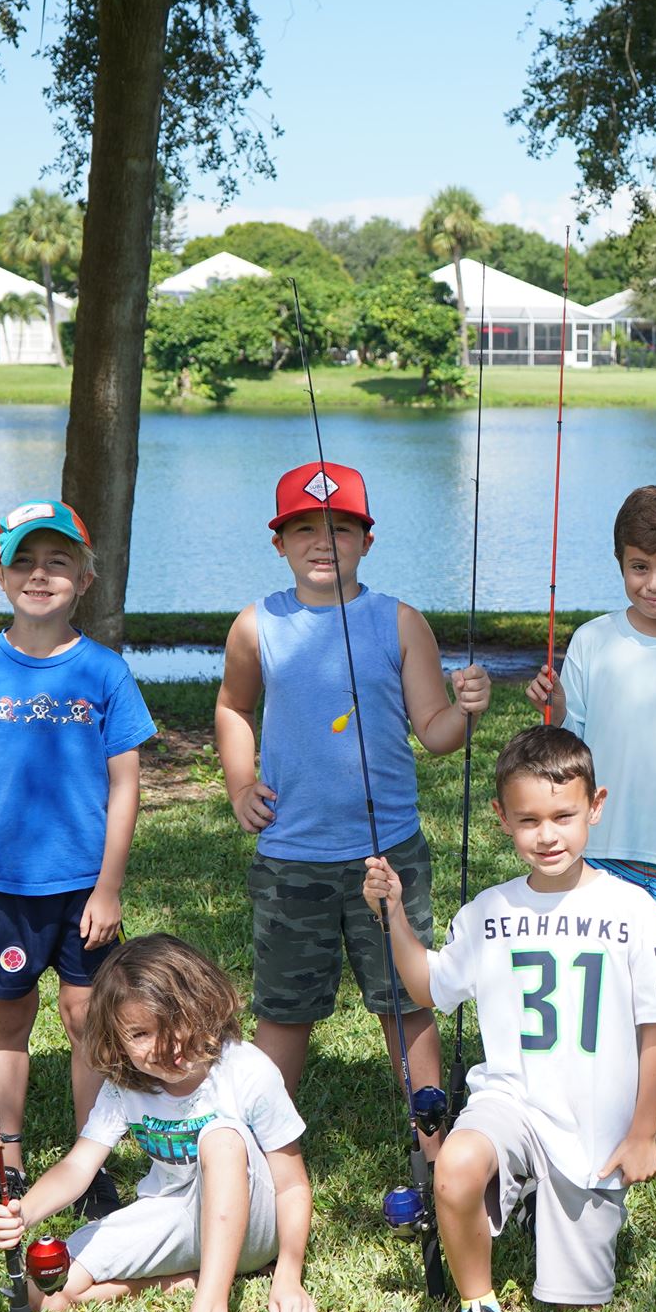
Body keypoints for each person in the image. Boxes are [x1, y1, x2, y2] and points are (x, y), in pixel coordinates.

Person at [363, 725, 656, 1312]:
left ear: (595, 805)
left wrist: (643, 1132)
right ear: (501, 817)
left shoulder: (634, 910)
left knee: (576, 1302)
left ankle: (540, 1202)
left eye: (564, 815)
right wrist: (392, 911)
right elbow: (427, 988)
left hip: (594, 1125)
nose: (547, 834)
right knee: (453, 1168)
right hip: (509, 1100)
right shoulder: (488, 911)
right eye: (529, 819)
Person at [215, 462, 489, 1112]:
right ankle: (260, 1141)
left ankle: (432, 1135)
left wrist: (467, 709)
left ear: (367, 540)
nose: (321, 541)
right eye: (303, 527)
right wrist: (239, 782)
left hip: (387, 855)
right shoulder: (256, 625)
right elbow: (233, 707)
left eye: (340, 528)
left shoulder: (399, 621)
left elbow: (436, 730)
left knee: (407, 999)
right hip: (291, 856)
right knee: (284, 1009)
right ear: (278, 542)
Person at [0, 500, 154, 1214]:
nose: (40, 574)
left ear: (85, 578)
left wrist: (109, 886)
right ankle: (8, 1156)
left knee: (90, 1018)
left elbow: (125, 785)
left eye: (58, 561)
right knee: (9, 1022)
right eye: (24, 560)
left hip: (86, 885)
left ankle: (89, 1161)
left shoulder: (106, 672)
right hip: (3, 888)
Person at [0, 935, 317, 1312]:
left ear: (207, 1005)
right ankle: (181, 1280)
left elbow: (291, 1184)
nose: (162, 1048)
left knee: (221, 1137)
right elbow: (79, 1165)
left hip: (256, 1226)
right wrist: (23, 1212)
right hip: (175, 1215)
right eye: (139, 1034)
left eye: (172, 1022)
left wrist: (289, 1275)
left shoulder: (246, 1070)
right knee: (46, 1291)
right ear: (116, 1042)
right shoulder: (125, 1087)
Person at [524, 484, 656, 1197]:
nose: (655, 583)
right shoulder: (592, 640)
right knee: (600, 993)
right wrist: (549, 710)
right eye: (639, 566)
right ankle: (600, 1115)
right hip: (598, 854)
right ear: (619, 562)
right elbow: (567, 748)